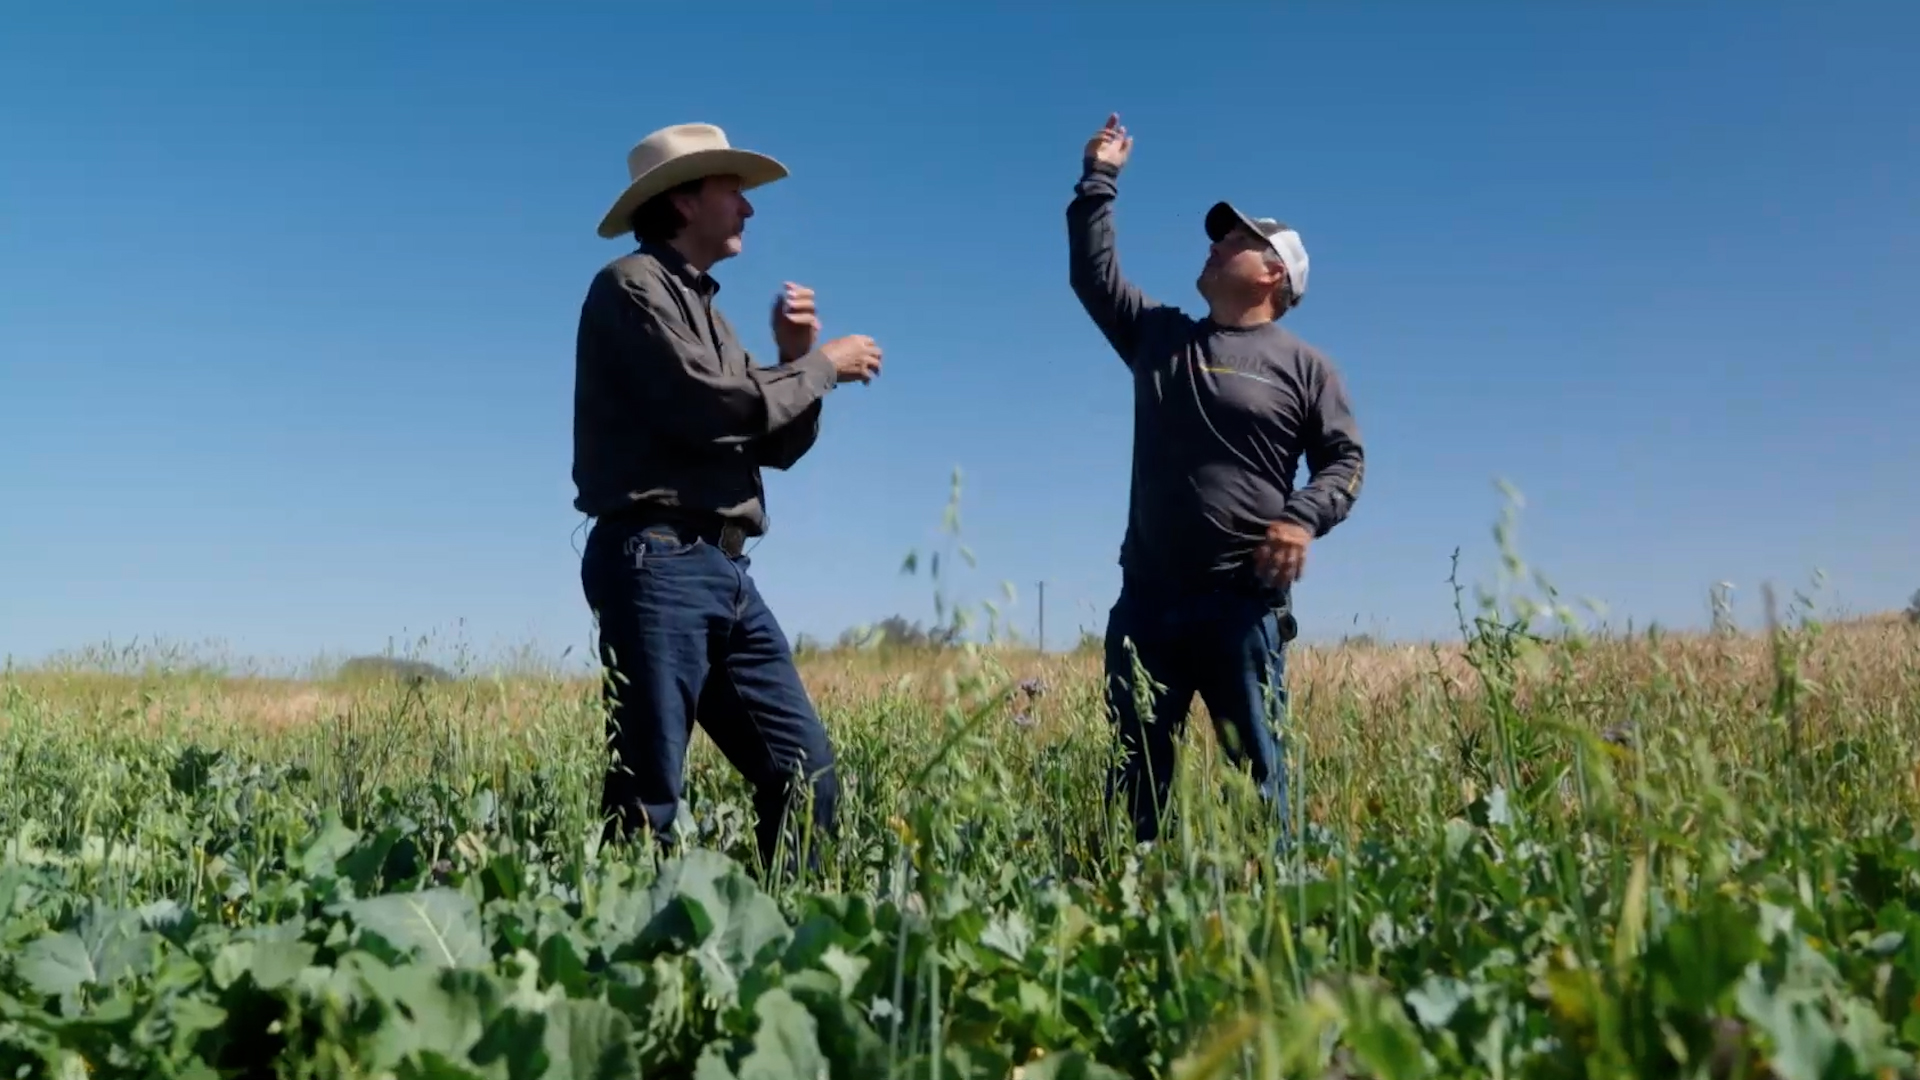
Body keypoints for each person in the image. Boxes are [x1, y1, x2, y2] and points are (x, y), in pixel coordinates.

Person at [571, 122, 884, 875]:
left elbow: (769, 443)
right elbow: (715, 407)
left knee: (806, 775)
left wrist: (793, 361)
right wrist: (822, 367)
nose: (748, 209)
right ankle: (627, 969)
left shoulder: (711, 316)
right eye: (732, 190)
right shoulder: (632, 287)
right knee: (648, 799)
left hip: (722, 571)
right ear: (682, 201)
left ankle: (780, 952)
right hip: (656, 560)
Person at [1065, 113, 1366, 847]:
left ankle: (1268, 922)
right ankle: (1131, 923)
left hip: (1242, 607)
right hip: (1147, 604)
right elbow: (1093, 276)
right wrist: (1098, 178)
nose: (1216, 241)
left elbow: (1345, 462)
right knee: (1135, 793)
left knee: (1259, 796)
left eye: (1235, 238)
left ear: (1273, 273)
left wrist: (1301, 519)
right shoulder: (1162, 337)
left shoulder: (1306, 366)